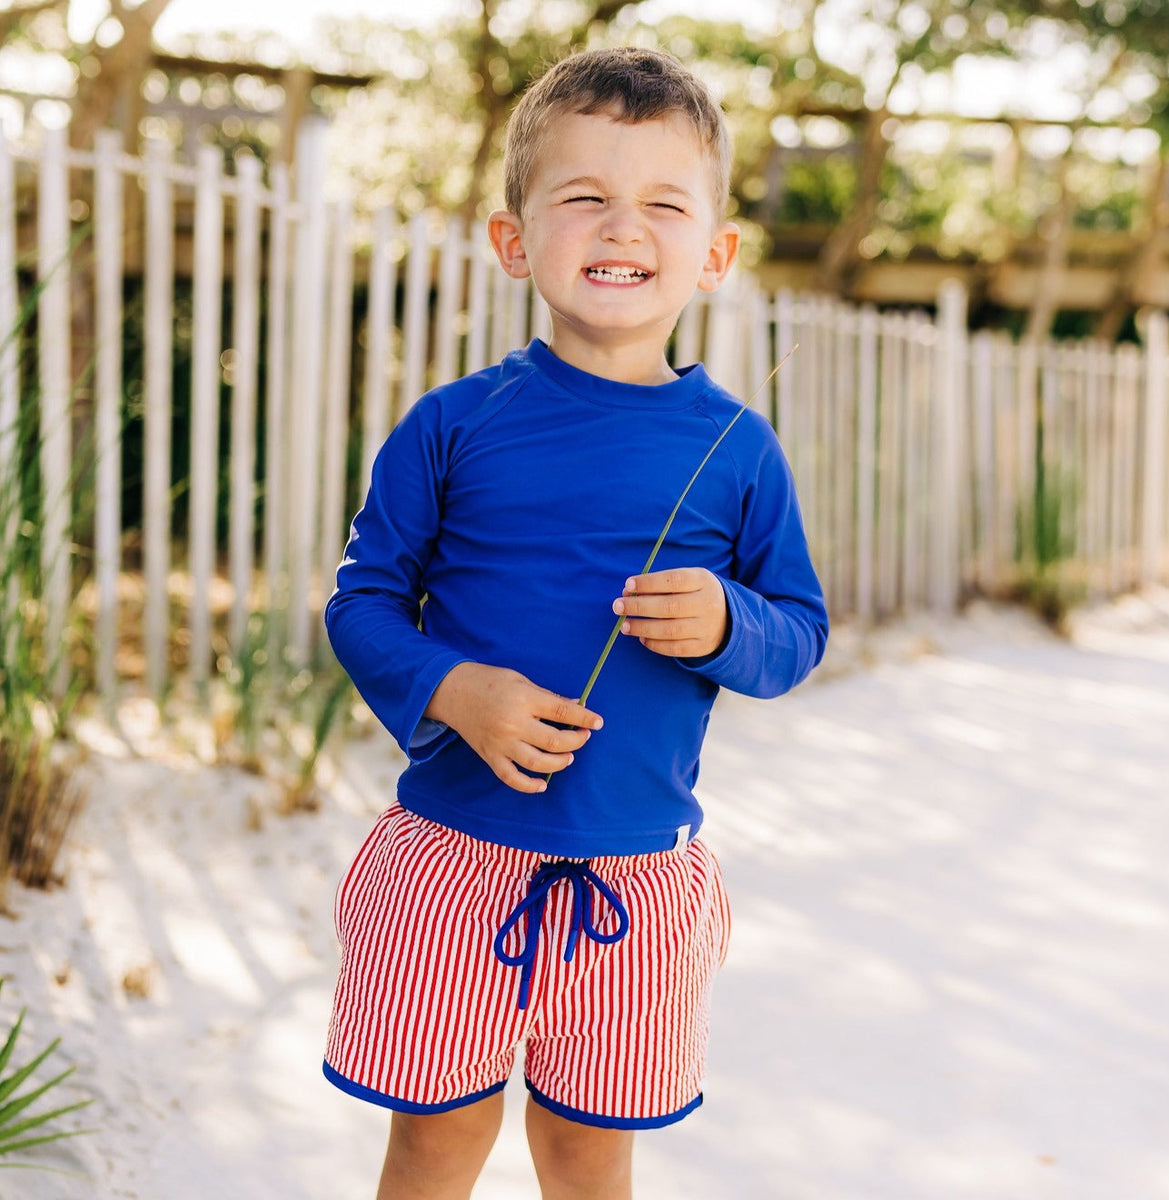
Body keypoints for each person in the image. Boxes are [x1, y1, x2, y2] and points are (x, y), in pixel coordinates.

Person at [323, 45, 828, 1200]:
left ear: (716, 254)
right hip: (455, 860)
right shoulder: (453, 427)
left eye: (662, 203)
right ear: (515, 240)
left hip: (637, 879)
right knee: (438, 1139)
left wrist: (722, 623)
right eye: (584, 198)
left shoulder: (739, 448)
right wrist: (454, 688)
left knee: (591, 1150)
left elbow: (797, 629)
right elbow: (362, 603)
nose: (623, 227)